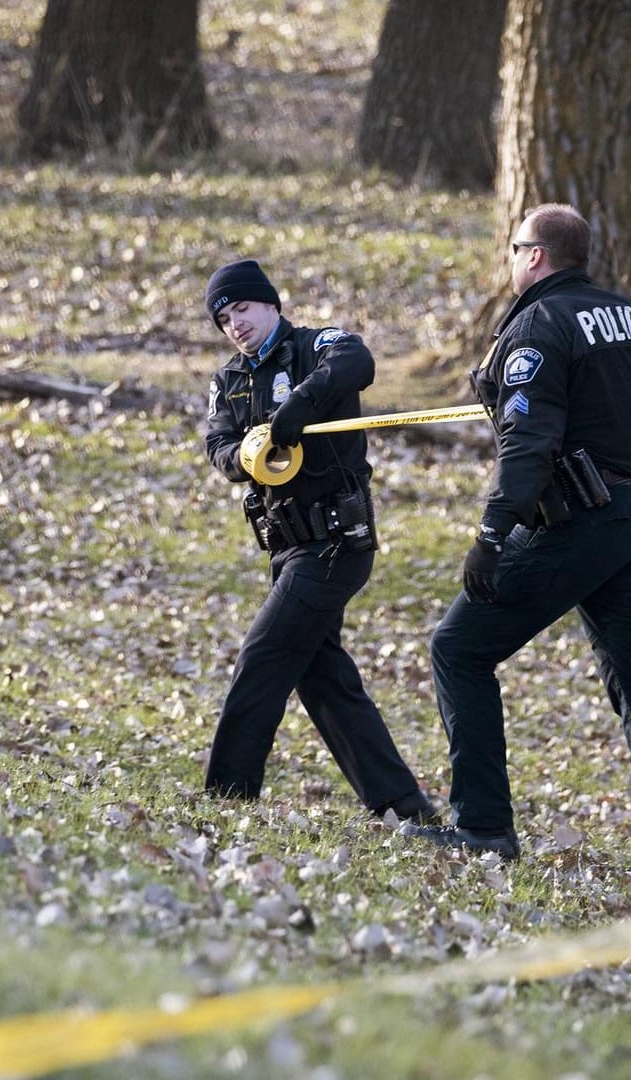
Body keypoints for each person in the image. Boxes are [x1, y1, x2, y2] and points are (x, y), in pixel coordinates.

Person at [401, 204, 631, 887]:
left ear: (536, 256)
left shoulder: (539, 324)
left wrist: (491, 533)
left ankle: (484, 828)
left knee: (458, 648)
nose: (511, 258)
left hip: (581, 523)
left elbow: (528, 444)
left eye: (515, 248)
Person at [199, 258, 438, 823]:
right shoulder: (227, 381)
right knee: (322, 675)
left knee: (262, 657)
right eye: (225, 317)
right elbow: (218, 446)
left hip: (335, 541)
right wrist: (246, 457)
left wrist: (295, 410)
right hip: (284, 547)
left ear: (271, 305)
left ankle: (227, 798)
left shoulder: (315, 346)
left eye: (245, 309)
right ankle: (403, 806)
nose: (237, 323)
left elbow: (357, 361)